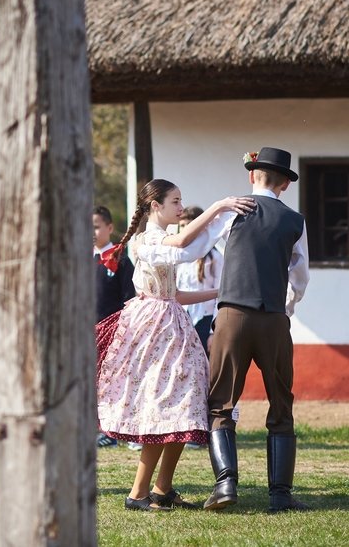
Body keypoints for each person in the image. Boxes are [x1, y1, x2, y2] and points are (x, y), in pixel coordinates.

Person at [95, 179, 254, 511]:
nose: (181, 208)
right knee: (163, 408)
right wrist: (218, 207)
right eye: (175, 202)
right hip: (154, 328)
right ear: (156, 206)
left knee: (186, 406)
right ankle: (137, 494)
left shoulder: (162, 242)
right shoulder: (146, 241)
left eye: (182, 202)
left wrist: (220, 292)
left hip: (172, 320)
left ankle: (161, 489)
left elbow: (176, 292)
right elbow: (185, 242)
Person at [202, 148, 310, 513]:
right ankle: (279, 495)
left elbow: (201, 247)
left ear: (253, 176)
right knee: (281, 403)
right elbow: (300, 276)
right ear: (284, 183)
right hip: (274, 318)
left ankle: (226, 484)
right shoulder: (295, 220)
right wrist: (284, 310)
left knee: (220, 404)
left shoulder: (232, 211)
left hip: (232, 313)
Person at [93, 205, 136, 448]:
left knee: (112, 382)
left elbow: (129, 298)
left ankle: (112, 431)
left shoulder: (120, 259)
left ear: (110, 228)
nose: (92, 231)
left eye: (97, 226)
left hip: (112, 332)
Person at [175, 206, 222, 357]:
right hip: (182, 321)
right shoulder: (177, 257)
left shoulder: (215, 258)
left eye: (190, 225)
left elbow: (221, 295)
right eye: (182, 226)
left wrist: (213, 332)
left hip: (205, 321)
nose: (186, 230)